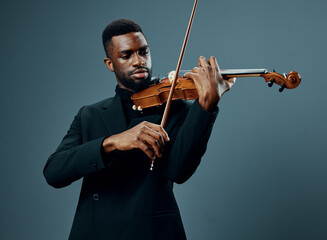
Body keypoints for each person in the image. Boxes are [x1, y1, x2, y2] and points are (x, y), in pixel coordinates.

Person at [43, 19, 235, 240]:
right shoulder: (90, 115)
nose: (138, 61)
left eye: (143, 52)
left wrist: (206, 105)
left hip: (153, 232)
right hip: (96, 231)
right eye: (127, 55)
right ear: (109, 63)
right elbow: (54, 172)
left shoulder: (177, 108)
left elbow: (179, 171)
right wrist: (112, 142)